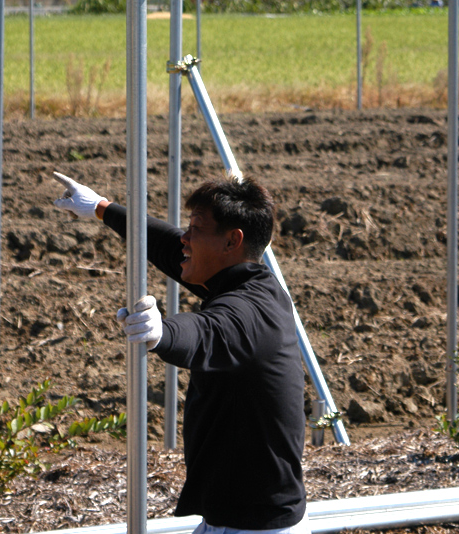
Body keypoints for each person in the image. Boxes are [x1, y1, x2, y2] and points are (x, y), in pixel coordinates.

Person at [52, 171, 310, 534]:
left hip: (256, 529)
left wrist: (163, 332)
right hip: (233, 520)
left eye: (196, 229)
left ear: (232, 241)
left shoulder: (252, 314)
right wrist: (101, 208)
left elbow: (207, 332)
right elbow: (170, 246)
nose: (185, 238)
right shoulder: (249, 281)